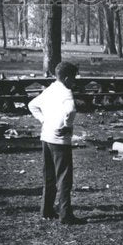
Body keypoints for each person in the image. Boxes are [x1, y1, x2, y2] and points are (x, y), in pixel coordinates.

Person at [28, 61, 85, 225]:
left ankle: (46, 210)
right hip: (60, 140)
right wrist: (67, 126)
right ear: (67, 78)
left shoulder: (50, 89)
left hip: (46, 137)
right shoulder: (66, 92)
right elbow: (71, 110)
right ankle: (65, 215)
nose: (74, 82)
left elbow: (32, 105)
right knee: (65, 178)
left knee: (49, 176)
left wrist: (44, 121)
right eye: (73, 78)